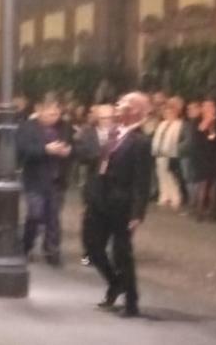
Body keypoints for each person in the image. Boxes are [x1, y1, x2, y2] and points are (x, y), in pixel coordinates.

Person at [84, 92, 153, 318]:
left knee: (122, 254)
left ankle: (132, 302)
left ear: (135, 110)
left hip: (121, 204)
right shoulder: (113, 133)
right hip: (99, 200)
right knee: (92, 248)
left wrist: (137, 213)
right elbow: (98, 167)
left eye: (122, 103)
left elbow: (142, 180)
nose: (117, 106)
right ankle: (116, 283)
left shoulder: (140, 141)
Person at [17, 100, 74, 266]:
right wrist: (45, 150)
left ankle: (52, 250)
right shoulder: (27, 127)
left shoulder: (65, 127)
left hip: (57, 179)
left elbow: (74, 147)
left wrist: (68, 151)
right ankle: (26, 245)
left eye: (57, 114)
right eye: (50, 114)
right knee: (35, 214)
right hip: (35, 178)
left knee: (53, 217)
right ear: (39, 111)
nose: (54, 118)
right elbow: (23, 150)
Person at [75, 104, 115, 266]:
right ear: (97, 118)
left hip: (114, 183)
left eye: (110, 118)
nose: (107, 121)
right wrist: (100, 155)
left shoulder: (121, 133)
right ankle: (89, 251)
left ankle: (101, 250)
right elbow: (80, 154)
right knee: (91, 220)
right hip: (93, 182)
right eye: (104, 118)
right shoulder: (87, 133)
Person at [186, 97, 216, 221]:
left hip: (215, 155)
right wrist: (207, 121)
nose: (208, 109)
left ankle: (212, 210)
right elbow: (196, 137)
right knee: (202, 183)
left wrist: (213, 127)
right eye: (205, 106)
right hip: (201, 156)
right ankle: (199, 210)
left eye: (210, 106)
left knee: (214, 182)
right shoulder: (196, 121)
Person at [151, 96, 188, 210]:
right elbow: (157, 138)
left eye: (170, 112)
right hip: (160, 152)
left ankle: (176, 198)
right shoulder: (162, 124)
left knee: (171, 176)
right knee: (161, 175)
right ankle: (164, 196)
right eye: (166, 112)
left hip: (171, 153)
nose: (167, 114)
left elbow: (176, 139)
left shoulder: (179, 124)